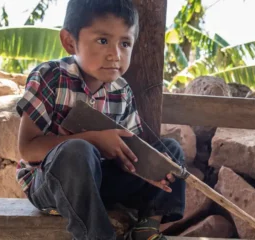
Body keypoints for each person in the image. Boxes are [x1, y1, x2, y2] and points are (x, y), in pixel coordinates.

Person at [15, 0, 186, 239]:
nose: (115, 54)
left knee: (171, 151)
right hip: (51, 184)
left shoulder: (121, 89)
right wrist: (93, 140)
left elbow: (130, 151)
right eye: (103, 40)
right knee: (77, 150)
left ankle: (148, 227)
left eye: (125, 43)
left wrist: (152, 165)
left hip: (101, 181)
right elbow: (27, 149)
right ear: (70, 42)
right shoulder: (50, 77)